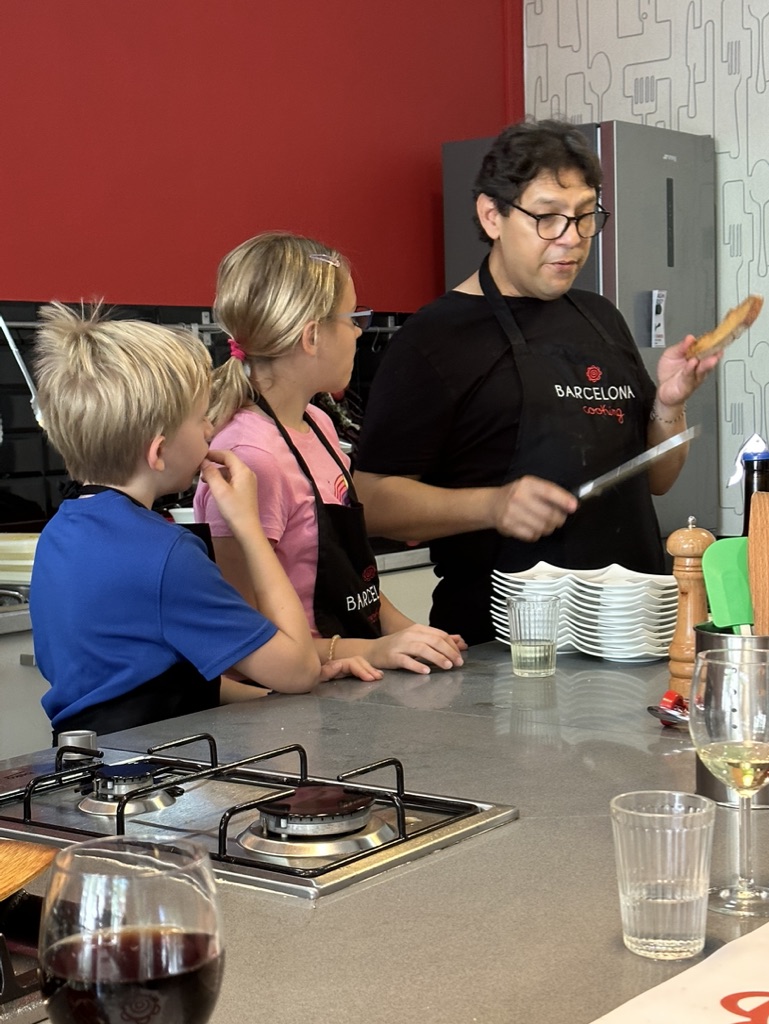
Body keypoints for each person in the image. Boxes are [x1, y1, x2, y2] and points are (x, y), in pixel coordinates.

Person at [353, 118, 721, 646]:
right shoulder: (434, 338)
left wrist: (668, 405)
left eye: (585, 216)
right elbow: (370, 502)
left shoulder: (602, 318)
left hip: (627, 632)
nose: (571, 239)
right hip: (501, 647)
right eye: (547, 218)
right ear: (492, 215)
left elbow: (657, 479)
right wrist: (493, 505)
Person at [28, 302, 350, 741]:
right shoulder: (166, 555)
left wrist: (264, 697)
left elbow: (143, 681)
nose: (210, 431)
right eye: (201, 420)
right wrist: (248, 526)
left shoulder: (58, 533)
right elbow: (298, 671)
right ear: (158, 452)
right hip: (156, 766)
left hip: (85, 759)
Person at [193, 231, 466, 676]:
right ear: (312, 336)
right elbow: (242, 639)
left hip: (354, 676)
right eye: (353, 318)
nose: (359, 331)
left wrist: (409, 633)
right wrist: (372, 650)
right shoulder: (250, 457)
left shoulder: (318, 424)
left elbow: (349, 574)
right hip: (291, 697)